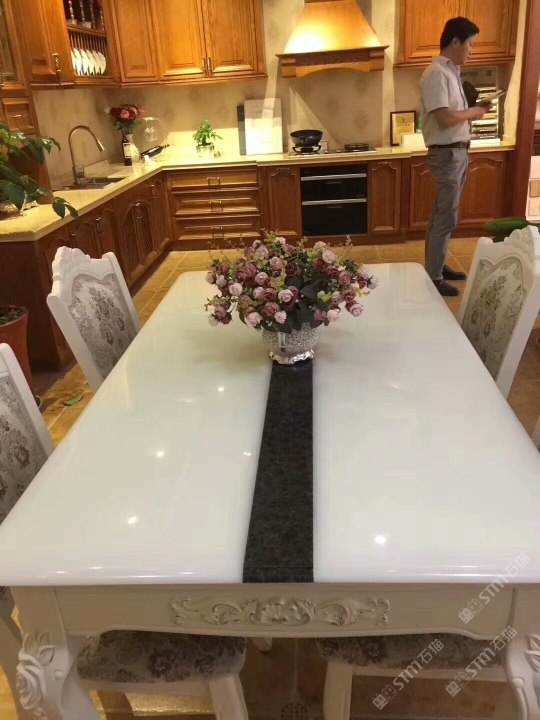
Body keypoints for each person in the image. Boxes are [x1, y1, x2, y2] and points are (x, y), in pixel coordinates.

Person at [420, 17, 489, 297]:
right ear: (456, 41)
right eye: (471, 44)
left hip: (455, 152)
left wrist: (474, 108)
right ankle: (434, 275)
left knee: (442, 214)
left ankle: (436, 266)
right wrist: (474, 112)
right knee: (446, 216)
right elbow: (445, 118)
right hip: (448, 153)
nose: (472, 50)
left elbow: (451, 115)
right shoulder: (436, 73)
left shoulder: (450, 73)